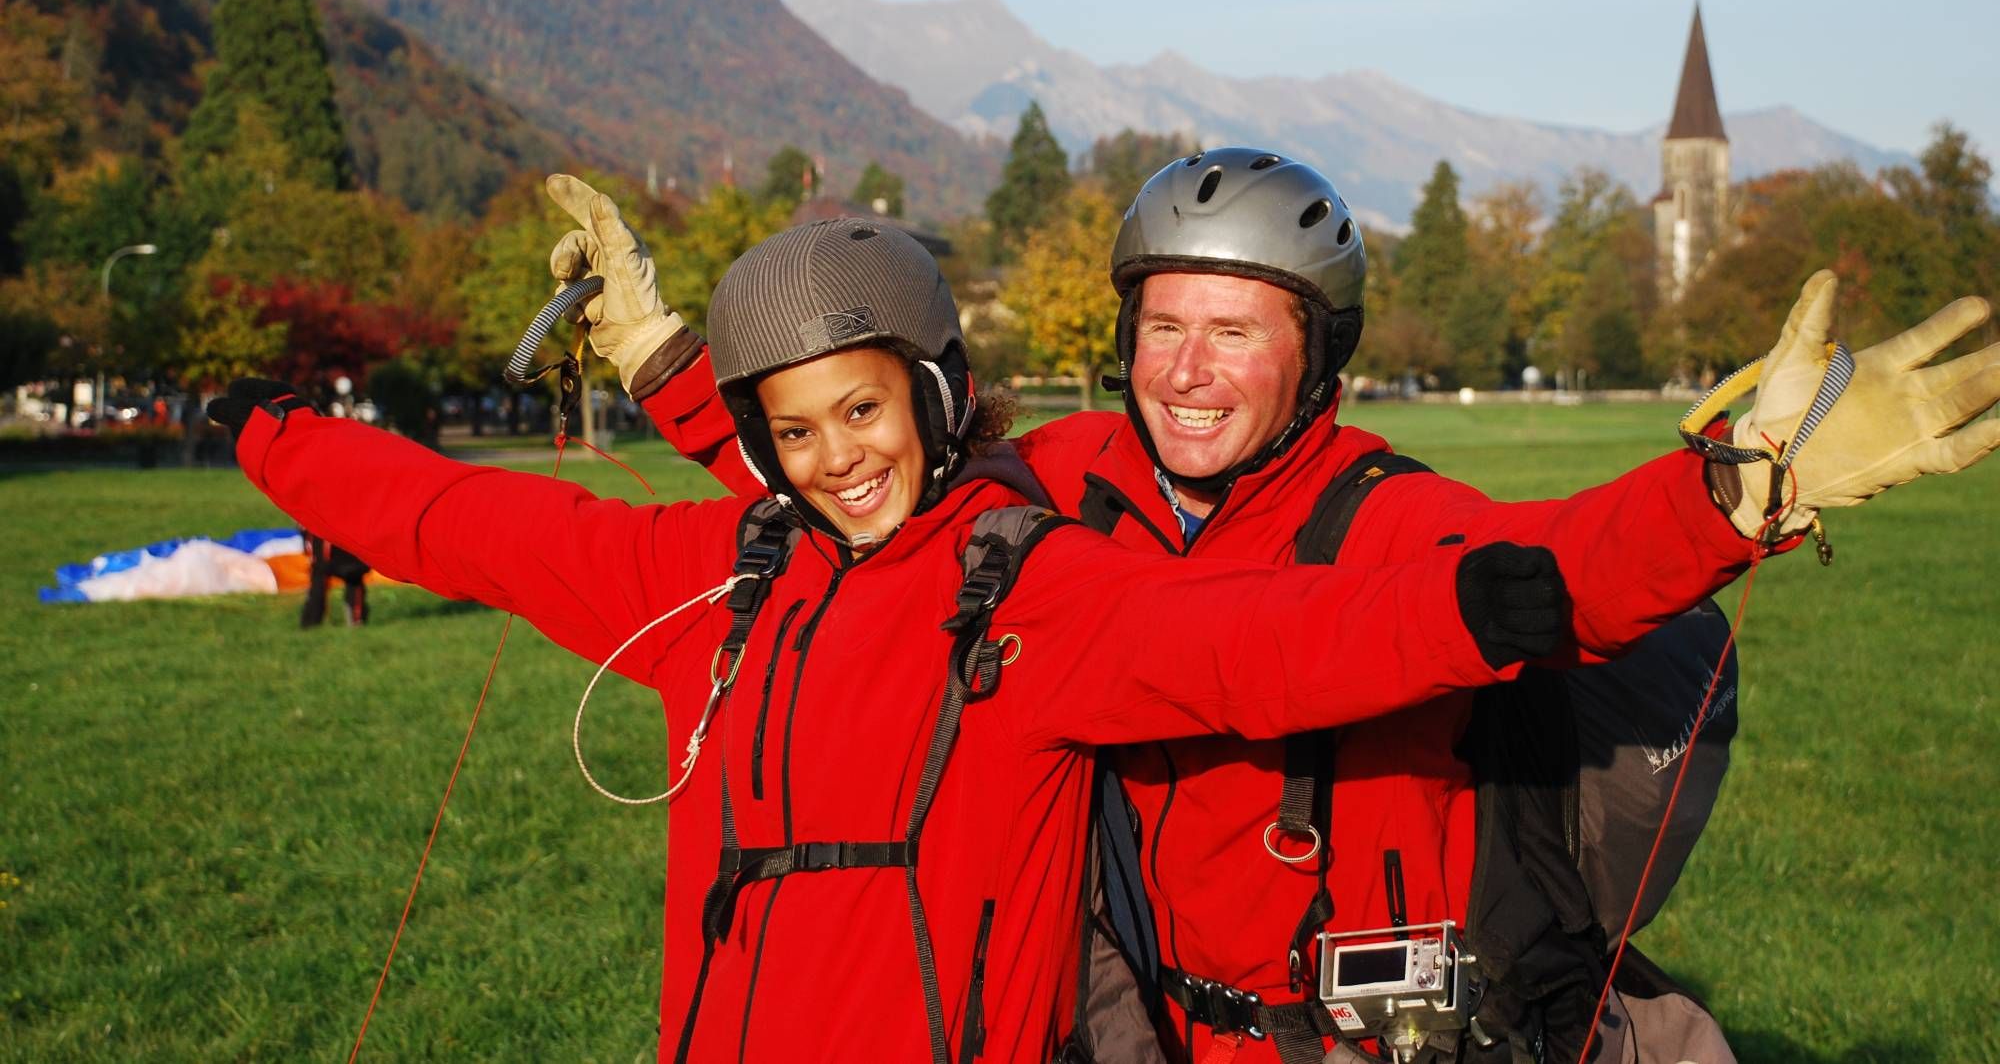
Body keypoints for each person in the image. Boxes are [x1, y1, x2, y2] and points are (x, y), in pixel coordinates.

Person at [561, 155, 2000, 1063]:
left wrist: (1734, 497)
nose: (1187, 370)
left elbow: (1562, 569)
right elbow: (859, 484)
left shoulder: (1396, 516)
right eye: (1161, 326)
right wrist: (665, 356)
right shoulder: (1061, 483)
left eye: (1235, 329)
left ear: (1315, 358)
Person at [207, 217, 1619, 1064]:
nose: (836, 459)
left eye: (870, 414)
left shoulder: (1039, 584)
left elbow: (1259, 633)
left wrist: (1700, 503)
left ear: (940, 399)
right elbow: (471, 518)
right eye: (795, 433)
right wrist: (274, 434)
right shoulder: (715, 579)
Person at [299, 528, 369, 628]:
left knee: (321, 576)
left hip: (330, 542)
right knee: (353, 577)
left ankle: (311, 623)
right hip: (348, 540)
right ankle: (356, 621)